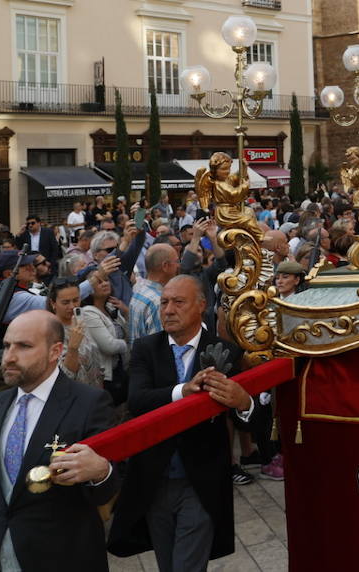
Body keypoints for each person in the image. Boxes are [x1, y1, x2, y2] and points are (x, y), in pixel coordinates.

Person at [0, 311, 119, 572]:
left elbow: (108, 489)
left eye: (24, 346)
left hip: (63, 560)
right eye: (7, 345)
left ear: (55, 351)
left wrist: (101, 471)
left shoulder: (89, 404)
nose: (10, 357)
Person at [108, 275, 255, 571]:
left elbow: (254, 416)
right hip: (154, 480)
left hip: (200, 481)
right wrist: (183, 391)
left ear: (201, 306)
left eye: (178, 302)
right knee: (167, 563)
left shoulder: (226, 351)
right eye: (164, 303)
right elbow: (137, 401)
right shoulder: (146, 348)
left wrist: (243, 402)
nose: (168, 310)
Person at [77, 271, 128, 406]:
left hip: (121, 369)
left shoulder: (111, 306)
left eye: (106, 280)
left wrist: (126, 311)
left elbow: (127, 331)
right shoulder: (88, 312)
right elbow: (109, 346)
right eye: (99, 282)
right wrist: (128, 344)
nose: (105, 283)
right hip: (107, 377)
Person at [128, 243, 178, 341]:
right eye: (176, 261)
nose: (178, 265)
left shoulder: (139, 291)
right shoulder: (159, 302)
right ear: (165, 266)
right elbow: (160, 347)